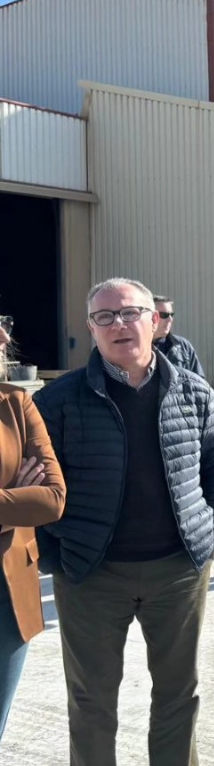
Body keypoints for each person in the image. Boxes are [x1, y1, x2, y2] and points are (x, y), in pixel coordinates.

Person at [34, 278, 214, 766]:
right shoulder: (59, 400)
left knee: (177, 690)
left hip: (178, 569)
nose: (119, 324)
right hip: (92, 573)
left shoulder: (193, 391)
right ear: (90, 329)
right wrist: (56, 552)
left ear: (155, 321)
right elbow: (37, 483)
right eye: (104, 317)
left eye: (130, 313)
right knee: (92, 698)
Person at [1, 314, 66, 741]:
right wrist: (13, 498)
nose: (3, 335)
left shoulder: (16, 404)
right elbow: (30, 501)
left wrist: (29, 497)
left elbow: (52, 498)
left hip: (7, 599)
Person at [151, 296, 205, 379]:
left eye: (171, 315)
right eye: (164, 315)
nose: (170, 319)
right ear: (152, 317)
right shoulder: (137, 347)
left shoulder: (183, 346)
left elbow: (199, 380)